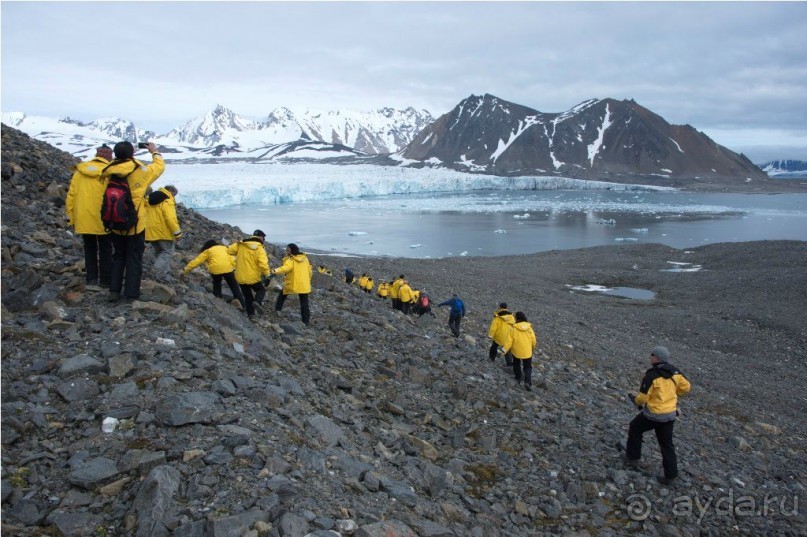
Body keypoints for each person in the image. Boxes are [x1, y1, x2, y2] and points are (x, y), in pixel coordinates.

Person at [102, 141, 165, 300]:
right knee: (134, 258)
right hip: (135, 223)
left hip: (114, 221)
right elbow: (159, 167)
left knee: (118, 256)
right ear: (132, 154)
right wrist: (154, 152)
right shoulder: (140, 170)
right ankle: (131, 293)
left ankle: (114, 291)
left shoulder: (109, 170)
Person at [625, 346, 692, 485]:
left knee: (635, 428)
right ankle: (671, 476)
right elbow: (686, 387)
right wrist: (673, 393)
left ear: (657, 358)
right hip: (669, 415)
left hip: (653, 414)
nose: (650, 357)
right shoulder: (675, 372)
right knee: (667, 444)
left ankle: (632, 458)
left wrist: (636, 400)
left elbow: (642, 399)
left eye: (652, 355)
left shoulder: (651, 375)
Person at [65, 144, 114, 290]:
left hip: (83, 217)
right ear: (108, 156)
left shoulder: (80, 171)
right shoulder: (110, 172)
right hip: (104, 217)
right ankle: (105, 280)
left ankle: (91, 278)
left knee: (89, 247)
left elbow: (71, 196)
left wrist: (71, 217)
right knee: (106, 248)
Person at [181, 239, 246, 312]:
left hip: (215, 270)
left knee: (217, 283)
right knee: (234, 286)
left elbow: (196, 261)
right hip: (228, 268)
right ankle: (242, 305)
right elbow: (231, 258)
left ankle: (218, 299)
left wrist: (185, 270)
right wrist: (233, 267)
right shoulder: (224, 248)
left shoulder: (208, 251)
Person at [227, 229, 271, 318]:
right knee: (261, 290)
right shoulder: (259, 248)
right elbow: (263, 264)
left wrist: (238, 244)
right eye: (264, 238)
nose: (264, 240)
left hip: (240, 276)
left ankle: (251, 315)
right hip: (253, 277)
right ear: (261, 237)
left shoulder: (241, 244)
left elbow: (229, 251)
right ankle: (257, 302)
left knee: (247, 296)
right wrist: (268, 276)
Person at [145, 185, 182, 283]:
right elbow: (170, 218)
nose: (174, 198)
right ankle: (156, 271)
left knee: (159, 251)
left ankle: (164, 275)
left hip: (150, 231)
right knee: (168, 251)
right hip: (162, 231)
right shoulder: (167, 201)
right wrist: (177, 233)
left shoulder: (149, 199)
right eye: (174, 195)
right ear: (171, 192)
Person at [272, 243, 313, 325]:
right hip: (304, 284)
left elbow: (285, 268)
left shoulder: (291, 260)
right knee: (304, 303)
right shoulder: (305, 259)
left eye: (288, 250)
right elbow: (310, 271)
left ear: (292, 250)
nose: (286, 251)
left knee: (283, 294)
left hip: (293, 283)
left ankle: (277, 309)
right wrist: (307, 280)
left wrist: (274, 271)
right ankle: (306, 321)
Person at [502, 312, 537, 390]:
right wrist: (532, 348)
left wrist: (504, 349)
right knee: (527, 366)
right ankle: (527, 382)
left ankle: (518, 378)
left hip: (516, 350)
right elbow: (533, 340)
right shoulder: (529, 328)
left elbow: (509, 341)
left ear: (516, 318)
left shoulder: (513, 328)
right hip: (527, 351)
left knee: (516, 363)